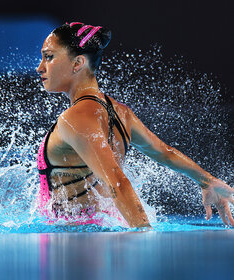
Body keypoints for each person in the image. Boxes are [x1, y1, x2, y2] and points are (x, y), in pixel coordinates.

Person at [36, 22, 234, 228]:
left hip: (76, 243)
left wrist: (143, 234)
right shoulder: (120, 112)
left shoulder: (75, 118)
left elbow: (118, 183)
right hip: (101, 231)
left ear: (77, 63)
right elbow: (164, 152)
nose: (40, 67)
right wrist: (207, 181)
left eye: (48, 57)